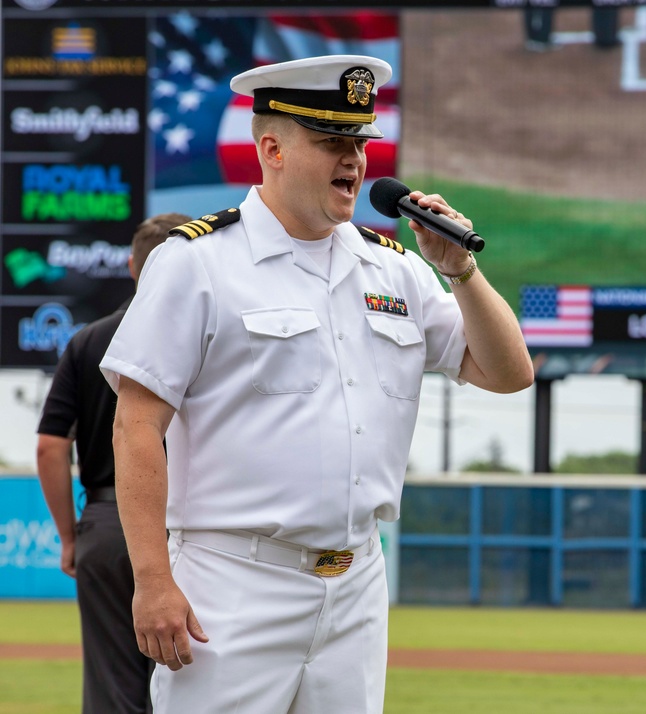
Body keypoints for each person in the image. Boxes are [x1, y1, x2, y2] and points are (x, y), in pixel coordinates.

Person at [99, 54, 534, 714]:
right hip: (232, 582)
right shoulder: (198, 262)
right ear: (270, 148)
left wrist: (460, 273)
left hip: (356, 582)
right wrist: (153, 580)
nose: (354, 161)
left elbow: (508, 374)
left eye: (359, 142)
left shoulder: (394, 269)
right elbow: (135, 424)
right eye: (332, 142)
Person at [36, 211, 191, 714]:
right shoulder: (205, 331)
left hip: (105, 524)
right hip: (185, 523)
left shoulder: (88, 339)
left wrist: (69, 536)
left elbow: (50, 446)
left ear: (131, 266)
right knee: (192, 684)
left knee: (112, 691)